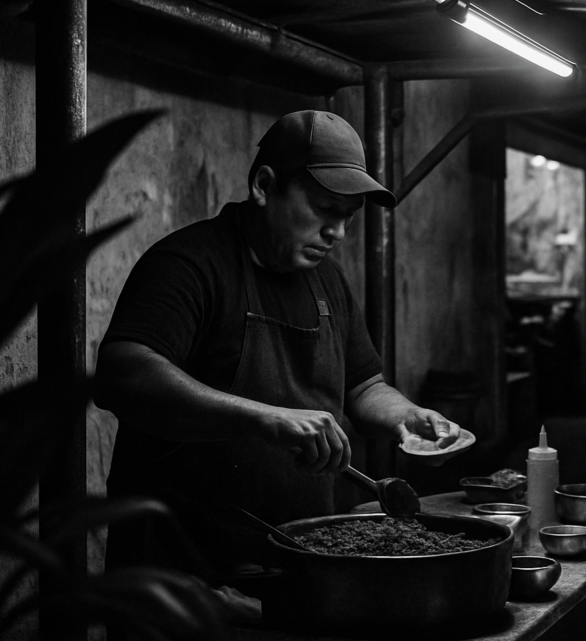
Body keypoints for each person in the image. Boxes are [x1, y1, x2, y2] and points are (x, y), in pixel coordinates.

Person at [94, 109, 462, 600]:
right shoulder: (189, 265)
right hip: (187, 578)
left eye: (347, 218)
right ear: (265, 186)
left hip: (294, 561)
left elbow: (364, 384)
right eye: (325, 210)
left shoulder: (326, 279)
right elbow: (124, 373)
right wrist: (266, 418)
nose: (339, 234)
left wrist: (407, 418)